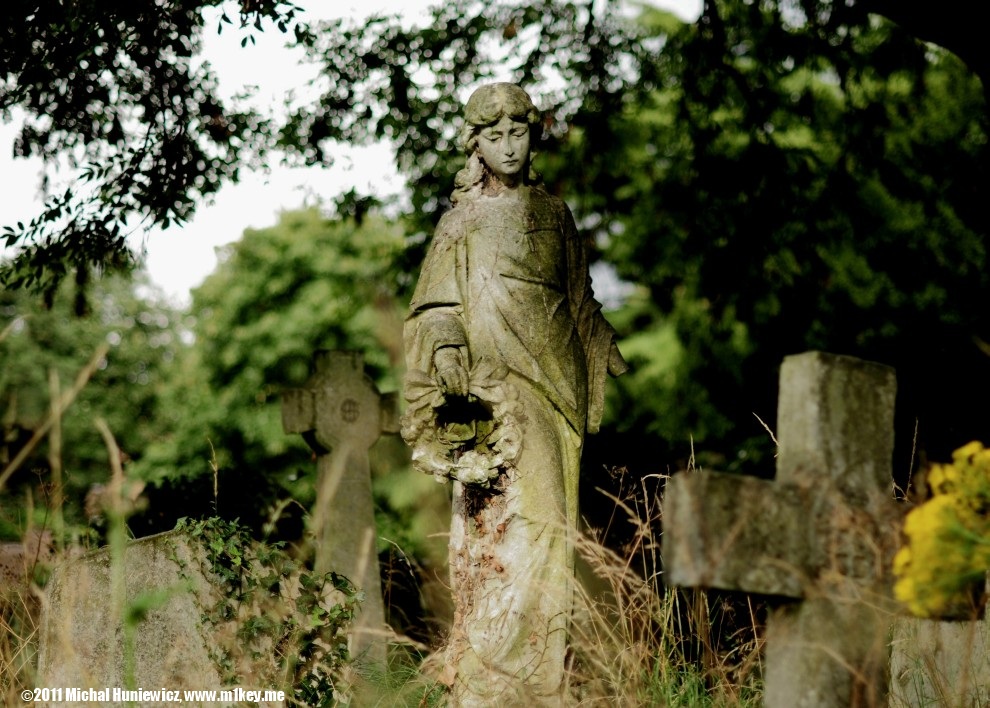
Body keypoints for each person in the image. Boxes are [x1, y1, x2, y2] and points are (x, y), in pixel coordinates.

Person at [402, 82, 627, 705]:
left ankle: (541, 671)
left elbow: (578, 298)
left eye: (519, 133)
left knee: (550, 526)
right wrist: (446, 348)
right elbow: (431, 308)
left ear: (534, 137)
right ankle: (495, 670)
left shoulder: (555, 214)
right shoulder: (461, 222)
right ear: (475, 144)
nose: (508, 146)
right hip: (494, 389)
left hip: (555, 378)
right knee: (505, 522)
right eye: (494, 135)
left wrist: (599, 341)